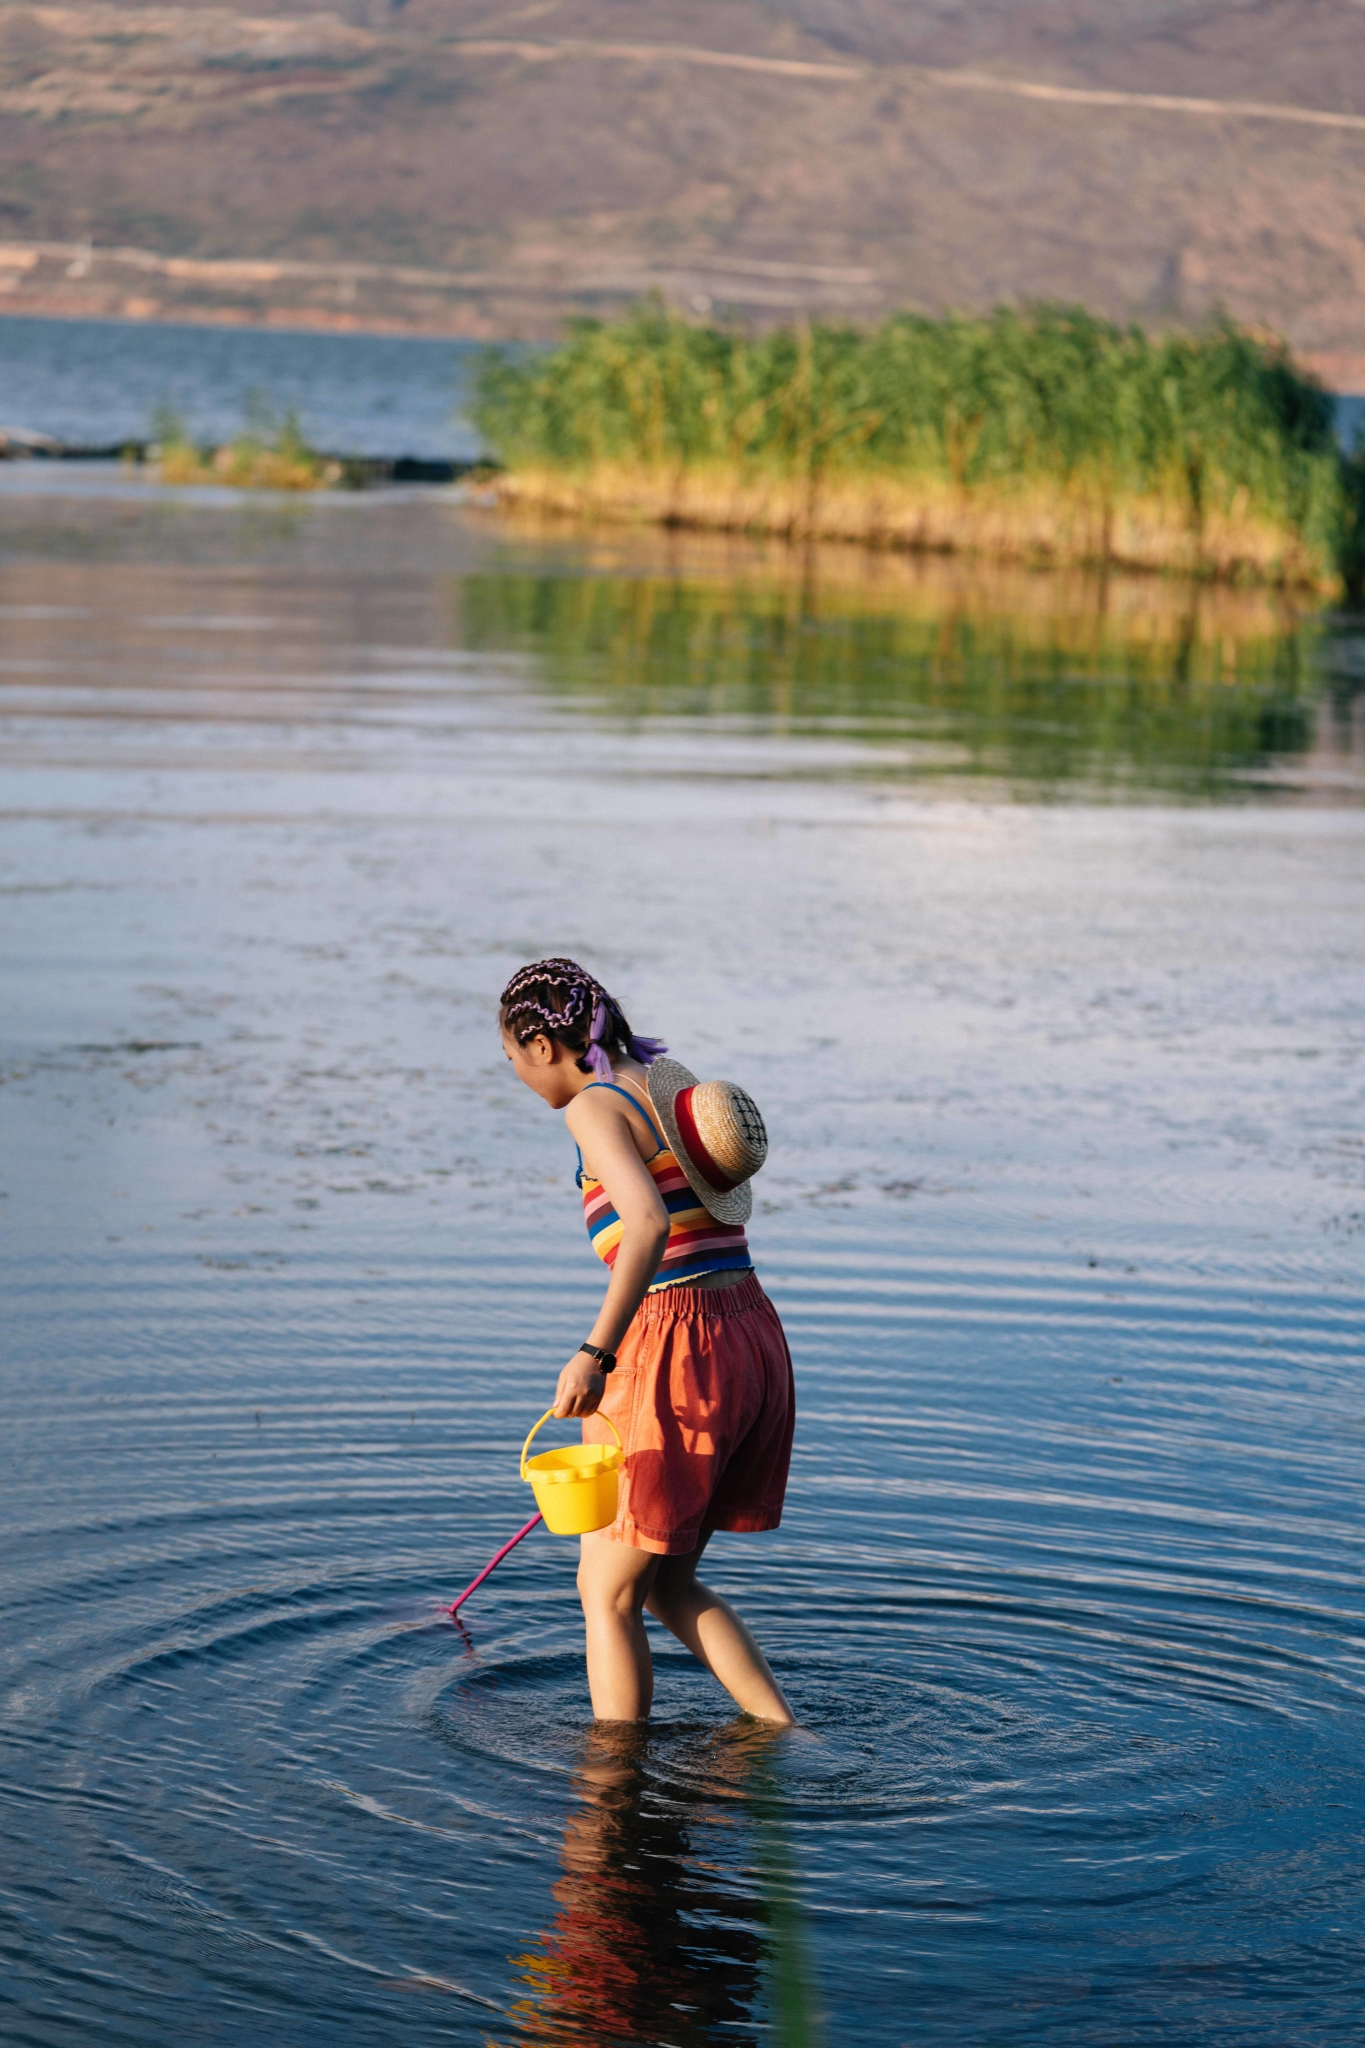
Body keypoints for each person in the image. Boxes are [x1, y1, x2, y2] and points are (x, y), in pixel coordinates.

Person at [500, 957, 795, 1725]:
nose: (520, 1081)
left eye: (511, 1062)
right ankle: (779, 1733)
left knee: (604, 1590)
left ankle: (611, 1799)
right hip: (749, 1336)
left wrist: (594, 1355)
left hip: (678, 1350)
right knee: (665, 1584)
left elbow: (649, 1225)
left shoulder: (594, 1108)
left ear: (538, 1044)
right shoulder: (666, 1089)